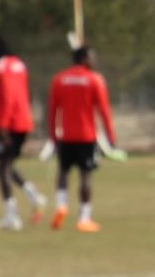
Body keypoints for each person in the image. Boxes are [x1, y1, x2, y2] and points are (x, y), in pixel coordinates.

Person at [45, 47, 116, 233]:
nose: (95, 61)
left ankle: (61, 205)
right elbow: (104, 110)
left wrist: (53, 134)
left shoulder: (59, 79)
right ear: (84, 58)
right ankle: (84, 217)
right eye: (92, 57)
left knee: (63, 171)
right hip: (86, 135)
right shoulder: (94, 79)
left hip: (65, 135)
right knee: (86, 175)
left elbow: (52, 109)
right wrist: (111, 136)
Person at [0, 32, 47, 230]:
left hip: (9, 124)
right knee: (7, 163)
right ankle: (34, 196)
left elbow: (8, 96)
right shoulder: (19, 64)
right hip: (23, 121)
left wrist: (3, 125)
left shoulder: (1, 67)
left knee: (3, 167)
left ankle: (11, 216)